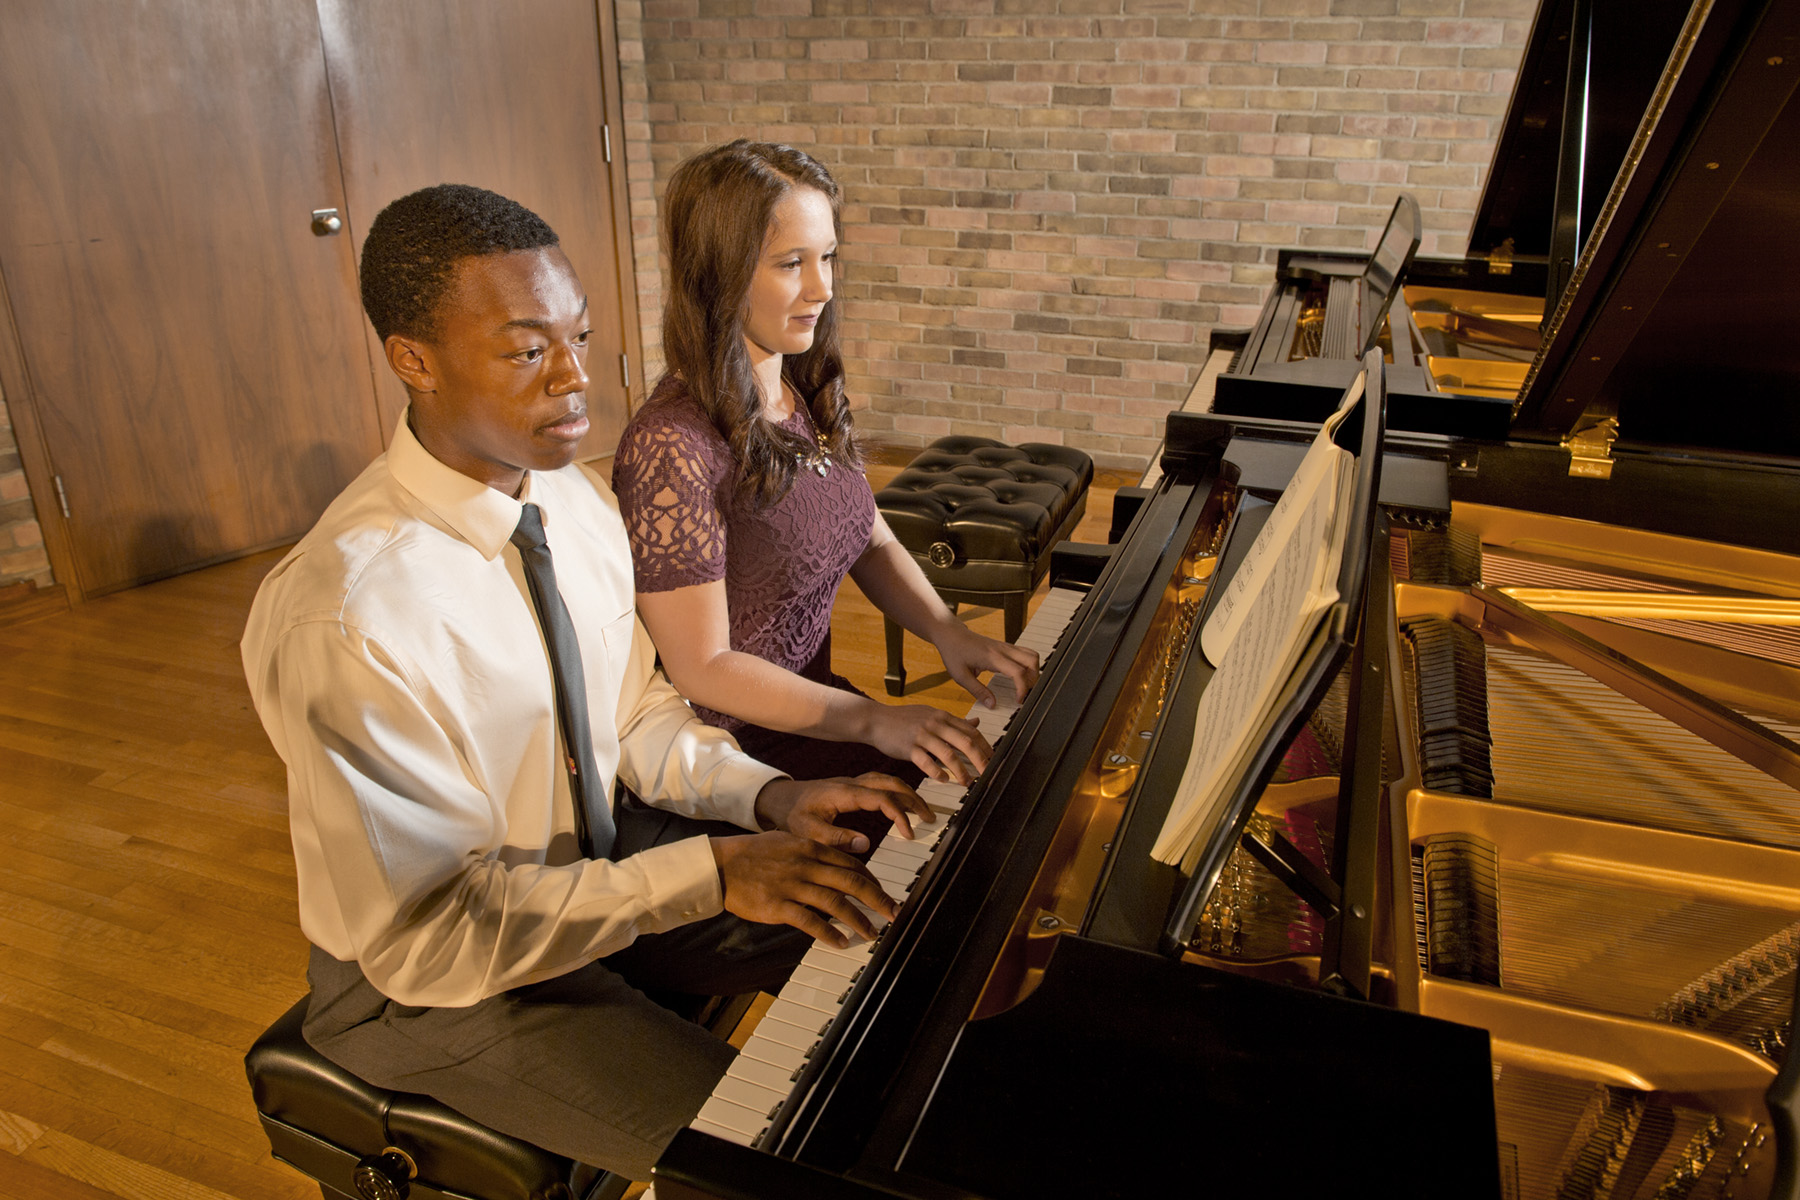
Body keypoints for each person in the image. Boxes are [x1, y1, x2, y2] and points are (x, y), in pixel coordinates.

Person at [241, 183, 930, 1182]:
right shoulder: (351, 617)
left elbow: (638, 713)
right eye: (527, 351)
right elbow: (427, 939)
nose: (575, 382)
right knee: (775, 1160)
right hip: (438, 979)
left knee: (899, 936)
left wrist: (764, 795)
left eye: (580, 338)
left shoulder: (570, 500)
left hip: (600, 851)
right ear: (413, 360)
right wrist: (718, 873)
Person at [613, 141, 1039, 789]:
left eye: (828, 257)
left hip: (817, 713)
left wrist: (948, 631)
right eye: (791, 263)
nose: (823, 287)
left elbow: (866, 532)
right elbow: (702, 667)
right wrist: (873, 721)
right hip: (734, 768)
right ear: (717, 274)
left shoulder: (800, 386)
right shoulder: (671, 446)